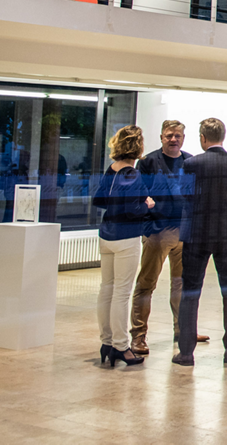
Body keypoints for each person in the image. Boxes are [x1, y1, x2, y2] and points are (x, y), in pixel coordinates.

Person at [130, 119, 207, 357]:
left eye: (177, 136)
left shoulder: (191, 162)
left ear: (184, 138)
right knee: (146, 284)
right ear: (161, 137)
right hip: (158, 231)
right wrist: (149, 226)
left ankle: (183, 330)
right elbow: (139, 194)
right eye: (169, 135)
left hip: (185, 231)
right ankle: (139, 336)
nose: (173, 139)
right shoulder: (148, 162)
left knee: (182, 284)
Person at [174, 118, 227, 365]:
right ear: (223, 136)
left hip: (196, 233)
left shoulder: (191, 163)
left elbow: (185, 193)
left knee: (191, 290)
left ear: (202, 138)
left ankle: (185, 352)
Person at [92, 125, 155, 367]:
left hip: (106, 234)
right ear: (138, 146)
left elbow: (99, 200)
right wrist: (146, 204)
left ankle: (106, 341)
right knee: (121, 293)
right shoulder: (132, 173)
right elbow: (133, 210)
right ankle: (121, 346)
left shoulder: (112, 169)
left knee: (106, 288)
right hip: (126, 237)